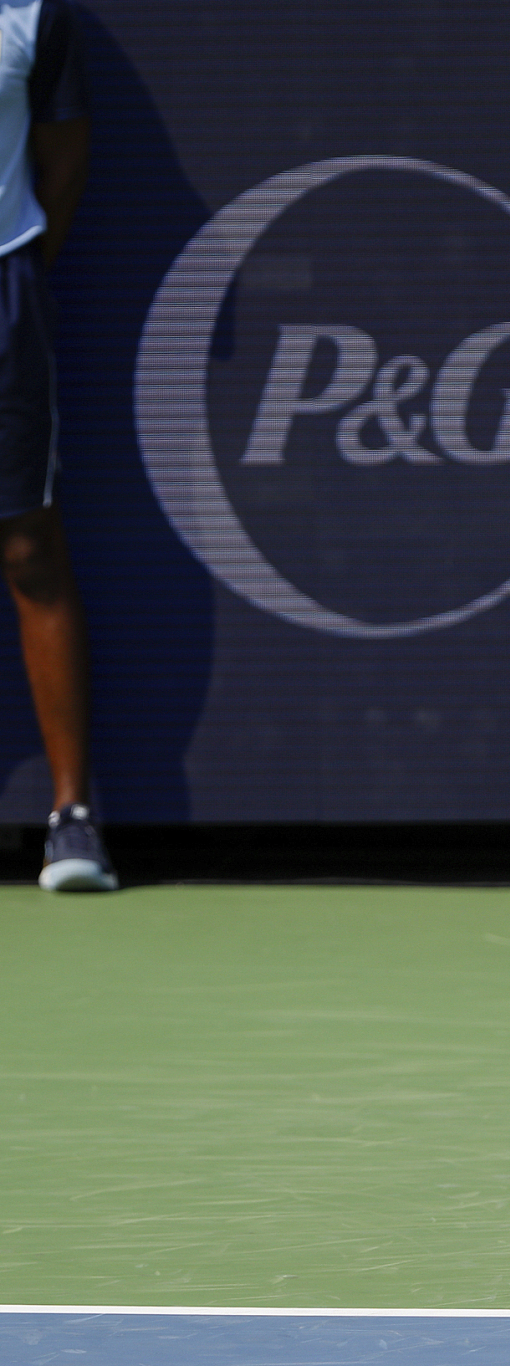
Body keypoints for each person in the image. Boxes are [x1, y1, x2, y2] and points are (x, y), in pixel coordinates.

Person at [0, 0, 111, 892]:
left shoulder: (37, 12)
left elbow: (63, 160)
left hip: (6, 291)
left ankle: (72, 819)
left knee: (30, 543)